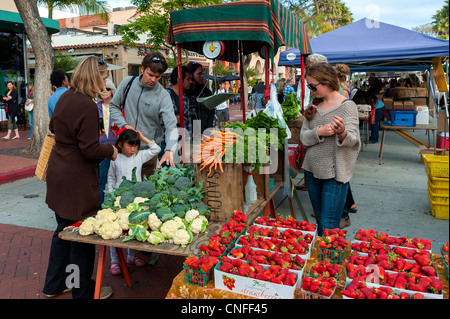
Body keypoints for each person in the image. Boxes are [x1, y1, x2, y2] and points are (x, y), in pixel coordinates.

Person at [44, 56, 118, 299]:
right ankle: (82, 292)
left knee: (63, 231)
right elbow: (90, 149)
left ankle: (54, 285)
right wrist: (111, 150)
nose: (106, 82)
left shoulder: (66, 96)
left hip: (59, 172)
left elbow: (54, 127)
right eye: (104, 76)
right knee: (80, 238)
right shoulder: (86, 104)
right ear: (94, 77)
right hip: (76, 179)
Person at [300, 63, 360, 236]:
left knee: (328, 224)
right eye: (309, 86)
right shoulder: (314, 105)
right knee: (320, 220)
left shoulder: (347, 106)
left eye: (313, 86)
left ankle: (329, 260)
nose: (311, 90)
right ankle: (322, 258)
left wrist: (342, 132)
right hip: (311, 170)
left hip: (335, 174)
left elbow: (354, 141)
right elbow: (303, 137)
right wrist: (318, 132)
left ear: (327, 82)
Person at [110, 52, 178, 178]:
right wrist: (124, 125)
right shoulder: (127, 83)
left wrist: (169, 149)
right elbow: (113, 106)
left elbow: (171, 125)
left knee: (146, 195)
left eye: (157, 77)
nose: (153, 80)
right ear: (142, 69)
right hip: (125, 151)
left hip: (148, 155)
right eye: (150, 75)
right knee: (121, 190)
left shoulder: (163, 96)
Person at [107, 129, 161, 275]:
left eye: (136, 145)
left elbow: (156, 149)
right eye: (130, 145)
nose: (133, 149)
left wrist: (143, 137)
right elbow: (111, 178)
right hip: (118, 199)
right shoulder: (115, 158)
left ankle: (131, 256)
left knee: (133, 227)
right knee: (116, 229)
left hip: (135, 199)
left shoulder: (139, 156)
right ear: (119, 144)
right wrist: (111, 195)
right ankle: (114, 260)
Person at [98, 79, 118, 203]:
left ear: (112, 91)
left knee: (118, 178)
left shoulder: (118, 107)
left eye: (107, 89)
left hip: (117, 148)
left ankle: (115, 204)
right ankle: (99, 205)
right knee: (101, 178)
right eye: (101, 90)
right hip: (101, 148)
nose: (104, 92)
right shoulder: (95, 107)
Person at [186, 61, 214, 135]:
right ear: (191, 75)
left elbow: (211, 113)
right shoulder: (184, 92)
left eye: (202, 73)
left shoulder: (206, 92)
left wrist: (208, 129)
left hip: (204, 129)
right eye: (199, 74)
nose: (202, 76)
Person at [367, 79, 385, 144]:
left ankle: (374, 139)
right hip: (380, 107)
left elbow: (369, 106)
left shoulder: (368, 96)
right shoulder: (371, 95)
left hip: (379, 108)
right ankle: (373, 137)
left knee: (374, 123)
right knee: (374, 123)